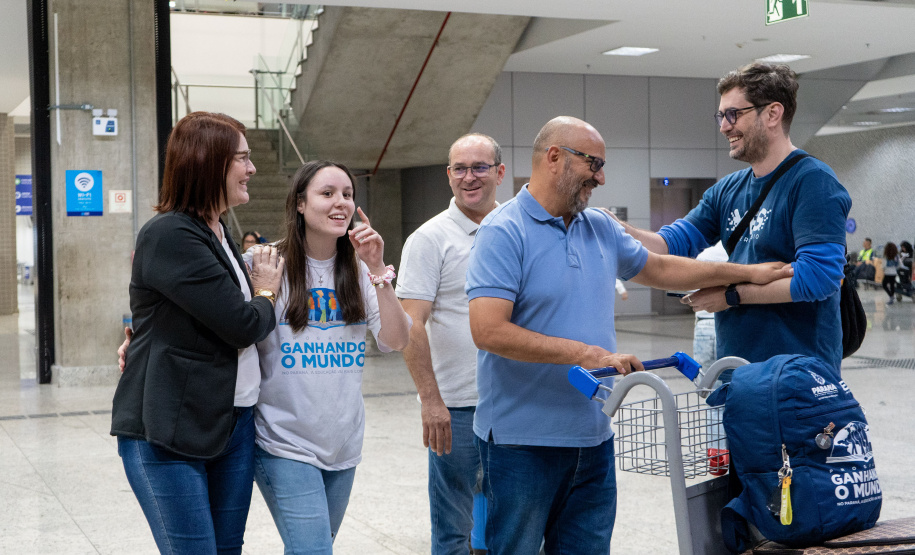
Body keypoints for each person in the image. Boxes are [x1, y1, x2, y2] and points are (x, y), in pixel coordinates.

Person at [465, 116, 793, 554]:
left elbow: (660, 267)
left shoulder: (598, 225)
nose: (601, 177)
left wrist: (745, 272)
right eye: (593, 163)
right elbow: (488, 330)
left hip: (594, 436)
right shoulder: (503, 232)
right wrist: (585, 353)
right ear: (554, 158)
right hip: (522, 445)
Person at [110, 111, 286, 554]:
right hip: (169, 428)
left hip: (232, 422)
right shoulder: (171, 234)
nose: (252, 169)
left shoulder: (219, 229)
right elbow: (241, 325)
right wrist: (265, 292)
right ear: (209, 163)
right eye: (242, 159)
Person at [612, 63, 851, 372]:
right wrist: (618, 230)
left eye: (733, 114)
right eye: (721, 116)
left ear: (772, 114)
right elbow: (670, 243)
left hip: (797, 378)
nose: (724, 126)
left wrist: (732, 296)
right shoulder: (727, 190)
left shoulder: (813, 182)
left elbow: (818, 278)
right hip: (737, 374)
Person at [250, 160, 412, 554]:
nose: (340, 202)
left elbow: (396, 339)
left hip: (342, 443)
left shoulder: (358, 269)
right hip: (283, 442)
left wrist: (378, 270)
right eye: (327, 193)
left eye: (347, 194)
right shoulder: (266, 263)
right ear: (300, 204)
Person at [396, 133, 504, 555]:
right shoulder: (429, 238)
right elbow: (410, 324)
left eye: (479, 167)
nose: (469, 177)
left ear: (499, 171)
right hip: (457, 408)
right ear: (448, 176)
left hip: (515, 403)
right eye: (459, 168)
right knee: (452, 531)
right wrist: (430, 400)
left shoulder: (515, 227)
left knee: (518, 523)